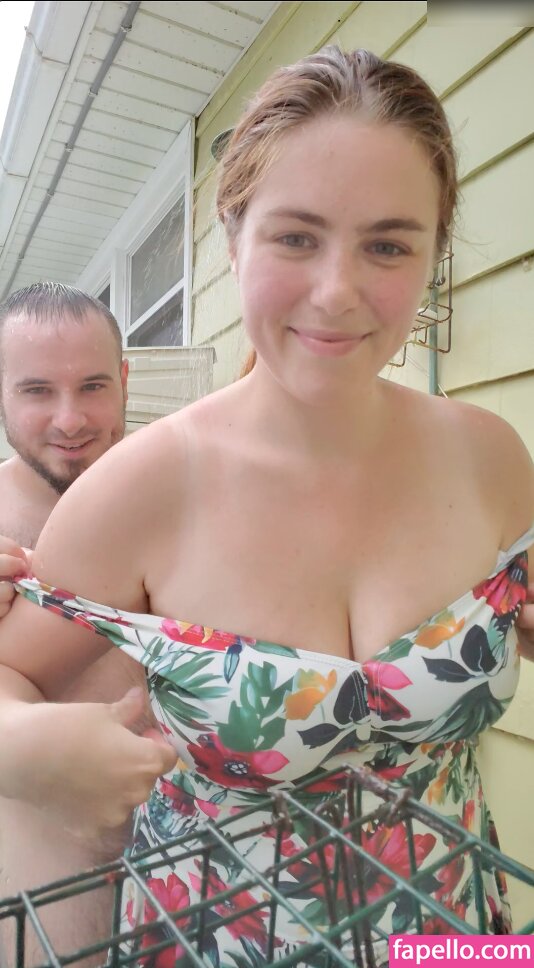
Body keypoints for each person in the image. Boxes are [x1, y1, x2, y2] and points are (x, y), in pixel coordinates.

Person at [0, 46, 532, 966]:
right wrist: (20, 744)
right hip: (213, 942)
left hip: (452, 936)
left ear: (433, 256)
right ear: (232, 235)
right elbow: (12, 674)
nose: (337, 292)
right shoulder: (141, 487)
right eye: (296, 237)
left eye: (388, 244)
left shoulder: (490, 456)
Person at [0, 283, 153, 964]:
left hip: (199, 878)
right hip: (38, 899)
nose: (70, 419)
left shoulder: (173, 495)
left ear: (123, 380)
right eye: (37, 391)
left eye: (93, 386)